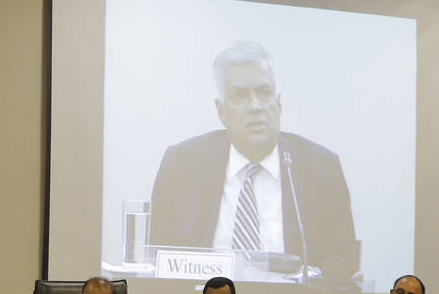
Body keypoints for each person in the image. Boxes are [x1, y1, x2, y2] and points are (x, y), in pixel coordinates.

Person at [148, 40, 358, 279]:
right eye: (240, 97)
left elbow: (343, 259)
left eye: (264, 93)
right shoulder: (182, 165)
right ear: (221, 111)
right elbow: (158, 256)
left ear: (278, 104)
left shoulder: (321, 168)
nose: (256, 107)